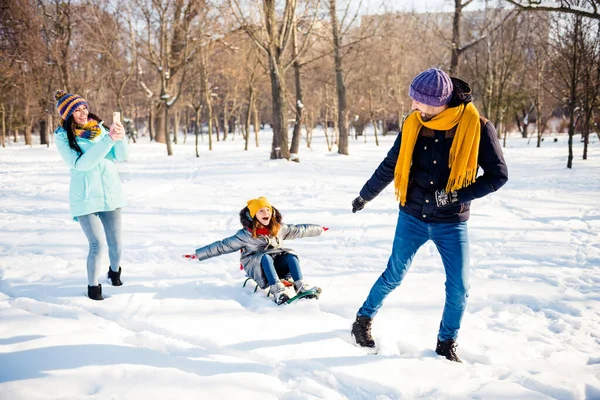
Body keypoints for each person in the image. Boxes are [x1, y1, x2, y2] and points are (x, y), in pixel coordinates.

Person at [350, 68, 508, 362]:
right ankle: (362, 320)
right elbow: (390, 164)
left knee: (459, 287)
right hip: (412, 215)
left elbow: (498, 176)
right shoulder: (414, 123)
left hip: (451, 221)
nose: (413, 106)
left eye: (418, 101)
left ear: (438, 103)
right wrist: (365, 195)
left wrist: (456, 195)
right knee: (394, 274)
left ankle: (446, 343)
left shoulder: (478, 127)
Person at [53, 90, 128, 301]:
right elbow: (81, 165)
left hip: (110, 194)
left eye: (84, 107)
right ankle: (93, 288)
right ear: (68, 115)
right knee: (97, 244)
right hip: (85, 198)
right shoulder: (63, 137)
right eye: (76, 110)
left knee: (116, 243)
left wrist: (119, 138)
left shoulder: (100, 129)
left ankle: (115, 272)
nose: (82, 112)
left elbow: (121, 157)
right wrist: (108, 141)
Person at [192, 197, 326, 305]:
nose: (266, 213)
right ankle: (278, 291)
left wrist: (319, 229)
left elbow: (298, 230)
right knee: (265, 256)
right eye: (261, 211)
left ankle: (300, 285)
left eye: (268, 210)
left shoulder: (279, 228)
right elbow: (222, 246)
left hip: (277, 265)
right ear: (253, 215)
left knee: (290, 254)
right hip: (256, 267)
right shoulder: (245, 235)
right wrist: (199, 254)